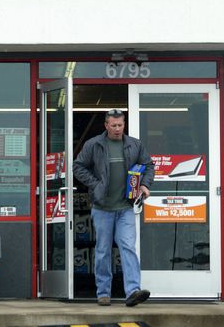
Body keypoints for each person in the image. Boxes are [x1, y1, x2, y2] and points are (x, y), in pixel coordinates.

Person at [73, 108, 155, 307]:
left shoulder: (135, 145)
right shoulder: (94, 144)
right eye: (114, 125)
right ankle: (103, 292)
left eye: (121, 125)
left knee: (127, 247)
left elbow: (148, 165)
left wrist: (144, 185)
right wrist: (95, 184)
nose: (118, 129)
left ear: (124, 124)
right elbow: (78, 166)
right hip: (102, 208)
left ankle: (133, 291)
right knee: (102, 250)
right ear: (106, 125)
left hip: (126, 207)